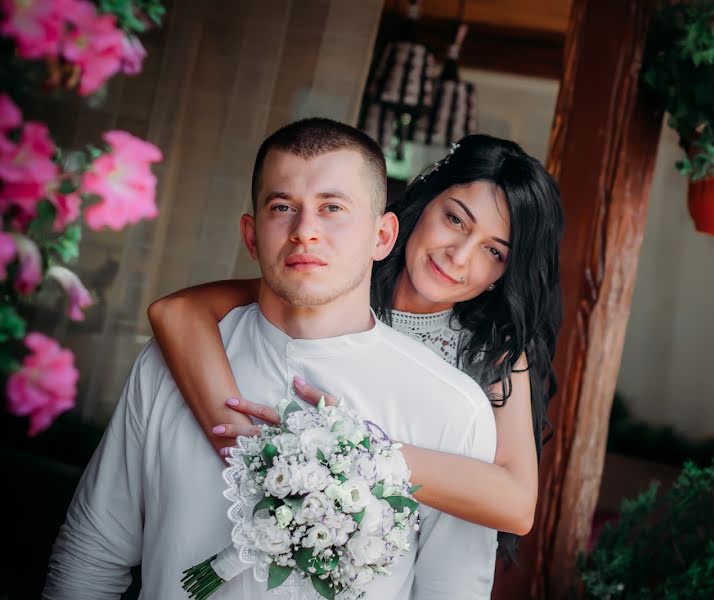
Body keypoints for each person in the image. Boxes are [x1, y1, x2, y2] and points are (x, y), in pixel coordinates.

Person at [44, 119, 498, 599]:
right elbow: (90, 557)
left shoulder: (452, 408)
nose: (305, 231)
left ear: (383, 236)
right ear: (251, 234)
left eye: (333, 208)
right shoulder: (167, 364)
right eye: (283, 207)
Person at [147, 133, 564, 558]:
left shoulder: (492, 351)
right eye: (455, 220)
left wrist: (350, 447)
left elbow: (516, 504)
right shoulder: (339, 281)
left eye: (493, 251)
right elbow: (176, 312)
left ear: (506, 273)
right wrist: (243, 446)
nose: (460, 256)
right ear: (424, 202)